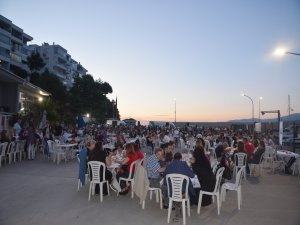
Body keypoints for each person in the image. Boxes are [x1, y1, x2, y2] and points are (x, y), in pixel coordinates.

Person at [163, 153, 195, 222]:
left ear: (174, 158)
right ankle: (179, 212)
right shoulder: (184, 164)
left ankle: (178, 209)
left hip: (172, 192)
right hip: (182, 191)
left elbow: (165, 182)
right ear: (180, 159)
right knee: (184, 188)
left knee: (176, 190)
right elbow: (192, 175)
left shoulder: (168, 166)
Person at [191, 138, 216, 206]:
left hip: (207, 186)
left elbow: (195, 173)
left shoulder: (199, 165)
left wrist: (192, 163)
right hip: (211, 182)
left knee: (192, 185)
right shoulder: (204, 159)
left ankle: (194, 201)